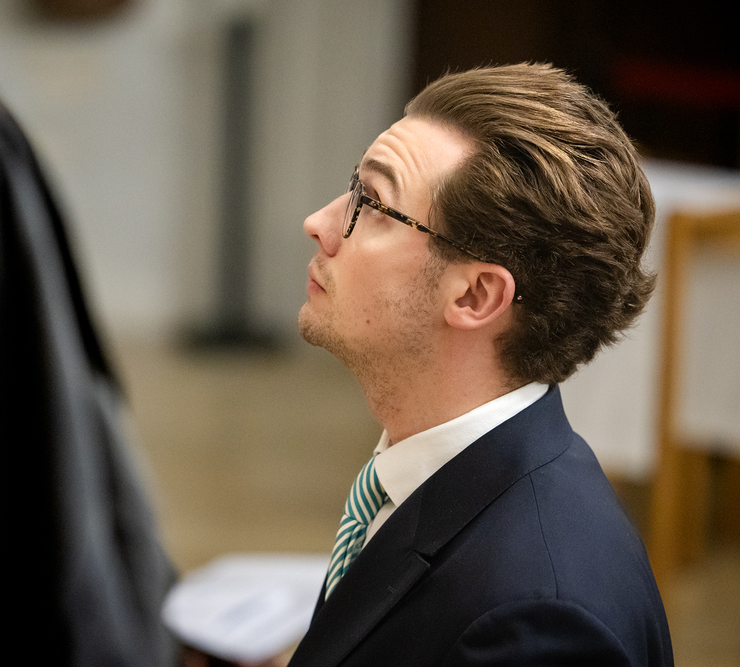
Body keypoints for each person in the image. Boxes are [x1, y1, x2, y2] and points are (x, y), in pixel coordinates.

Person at [287, 63, 672, 666]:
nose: (320, 223)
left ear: (475, 296)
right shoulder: (447, 473)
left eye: (374, 203)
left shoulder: (537, 623)